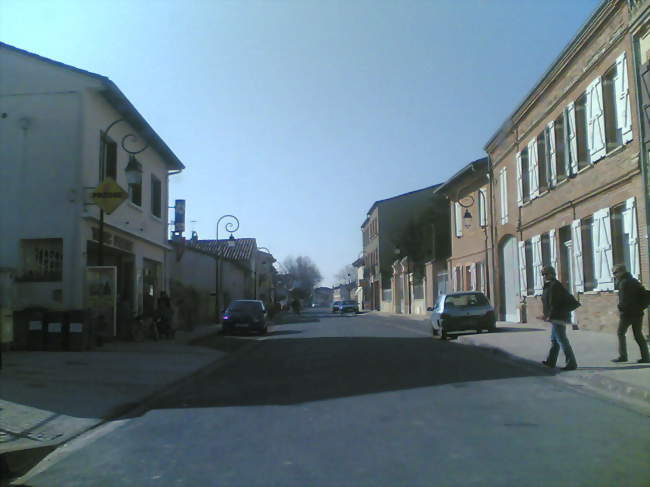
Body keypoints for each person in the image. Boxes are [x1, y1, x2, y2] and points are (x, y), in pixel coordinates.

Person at [537, 266, 578, 371]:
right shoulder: (549, 285)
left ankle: (571, 363)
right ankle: (551, 361)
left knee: (561, 340)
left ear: (552, 273)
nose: (544, 276)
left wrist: (548, 315)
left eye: (546, 274)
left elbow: (554, 303)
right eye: (543, 274)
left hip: (558, 316)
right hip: (555, 316)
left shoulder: (555, 286)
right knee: (555, 340)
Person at [612, 264, 650, 363]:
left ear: (621, 272)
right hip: (638, 312)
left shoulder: (624, 283)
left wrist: (621, 308)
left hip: (628, 314)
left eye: (615, 272)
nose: (614, 275)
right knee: (638, 335)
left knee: (620, 333)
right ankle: (646, 357)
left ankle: (623, 356)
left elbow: (625, 300)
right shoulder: (633, 280)